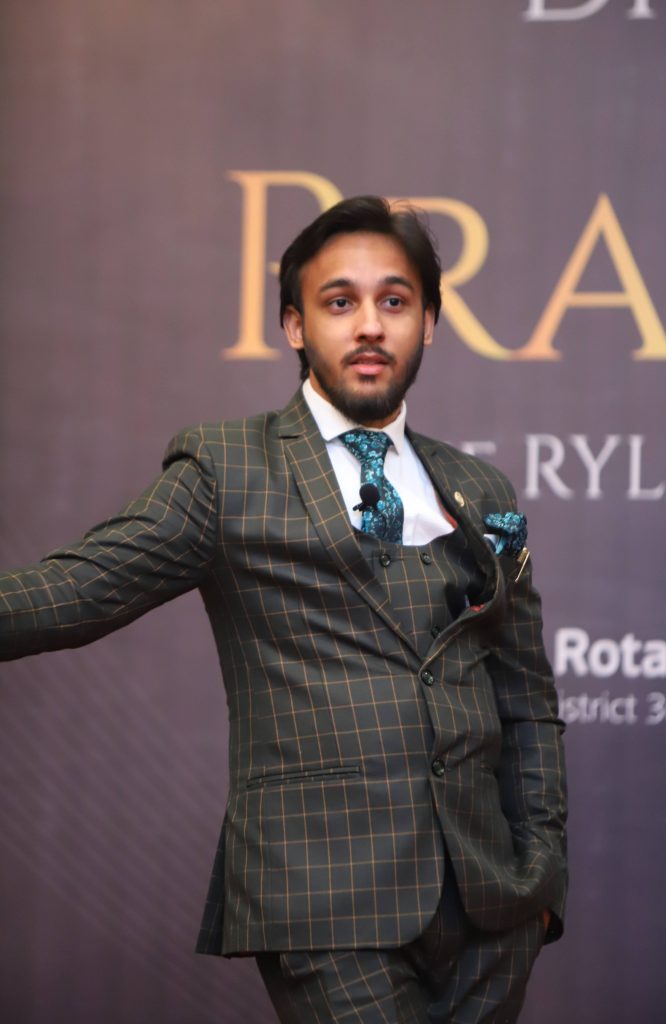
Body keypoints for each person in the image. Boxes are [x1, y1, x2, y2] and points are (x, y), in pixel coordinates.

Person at [0, 196, 567, 1024]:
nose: (368, 325)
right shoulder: (226, 467)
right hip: (322, 900)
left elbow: (525, 695)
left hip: (490, 909)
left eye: (394, 301)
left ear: (429, 323)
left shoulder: (482, 489)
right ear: (295, 326)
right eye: (339, 302)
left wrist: (542, 878)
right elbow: (77, 588)